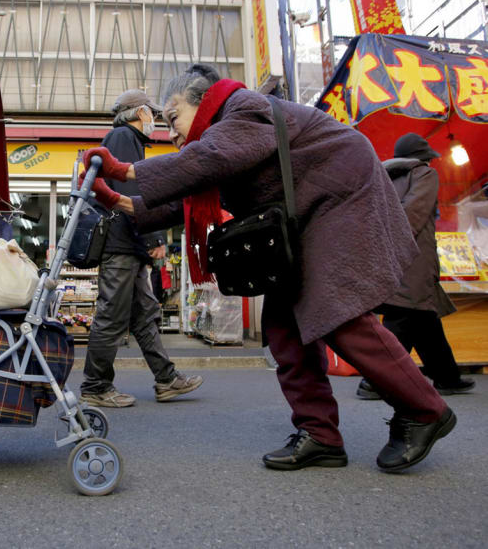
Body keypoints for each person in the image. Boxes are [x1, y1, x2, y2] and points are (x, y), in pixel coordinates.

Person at [84, 64, 456, 473]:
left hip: (340, 201)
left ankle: (424, 410)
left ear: (203, 101)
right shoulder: (224, 137)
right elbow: (183, 199)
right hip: (306, 218)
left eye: (173, 118)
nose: (169, 133)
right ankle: (321, 435)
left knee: (337, 314)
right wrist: (116, 200)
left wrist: (124, 171)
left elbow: (209, 157)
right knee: (283, 327)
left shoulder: (243, 108)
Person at [80, 89, 203, 408]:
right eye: (151, 111)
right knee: (111, 316)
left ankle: (166, 379)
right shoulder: (123, 136)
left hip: (128, 245)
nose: (154, 118)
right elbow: (128, 191)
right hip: (122, 245)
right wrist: (154, 238)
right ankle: (95, 386)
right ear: (138, 113)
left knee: (145, 315)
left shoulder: (128, 140)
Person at [357, 133, 475, 400]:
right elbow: (413, 214)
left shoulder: (385, 177)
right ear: (422, 158)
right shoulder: (424, 174)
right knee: (402, 321)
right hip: (414, 260)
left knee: (426, 322)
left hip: (390, 259)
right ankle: (374, 382)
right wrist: (399, 245)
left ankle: (447, 378)